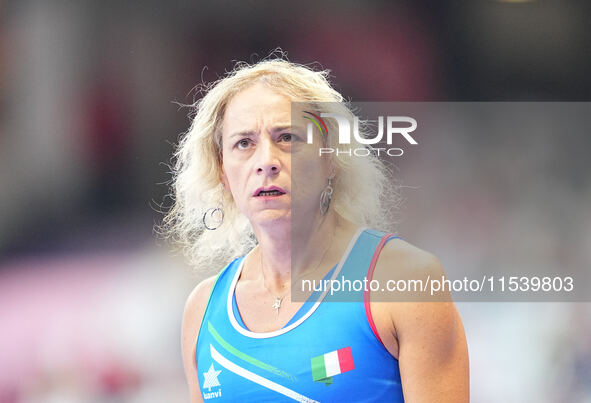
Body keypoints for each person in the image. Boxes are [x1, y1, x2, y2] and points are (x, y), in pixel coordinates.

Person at [162, 56, 469, 402]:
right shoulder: (203, 311)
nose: (266, 162)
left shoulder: (406, 280)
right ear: (222, 172)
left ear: (331, 158)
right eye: (244, 143)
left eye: (287, 137)